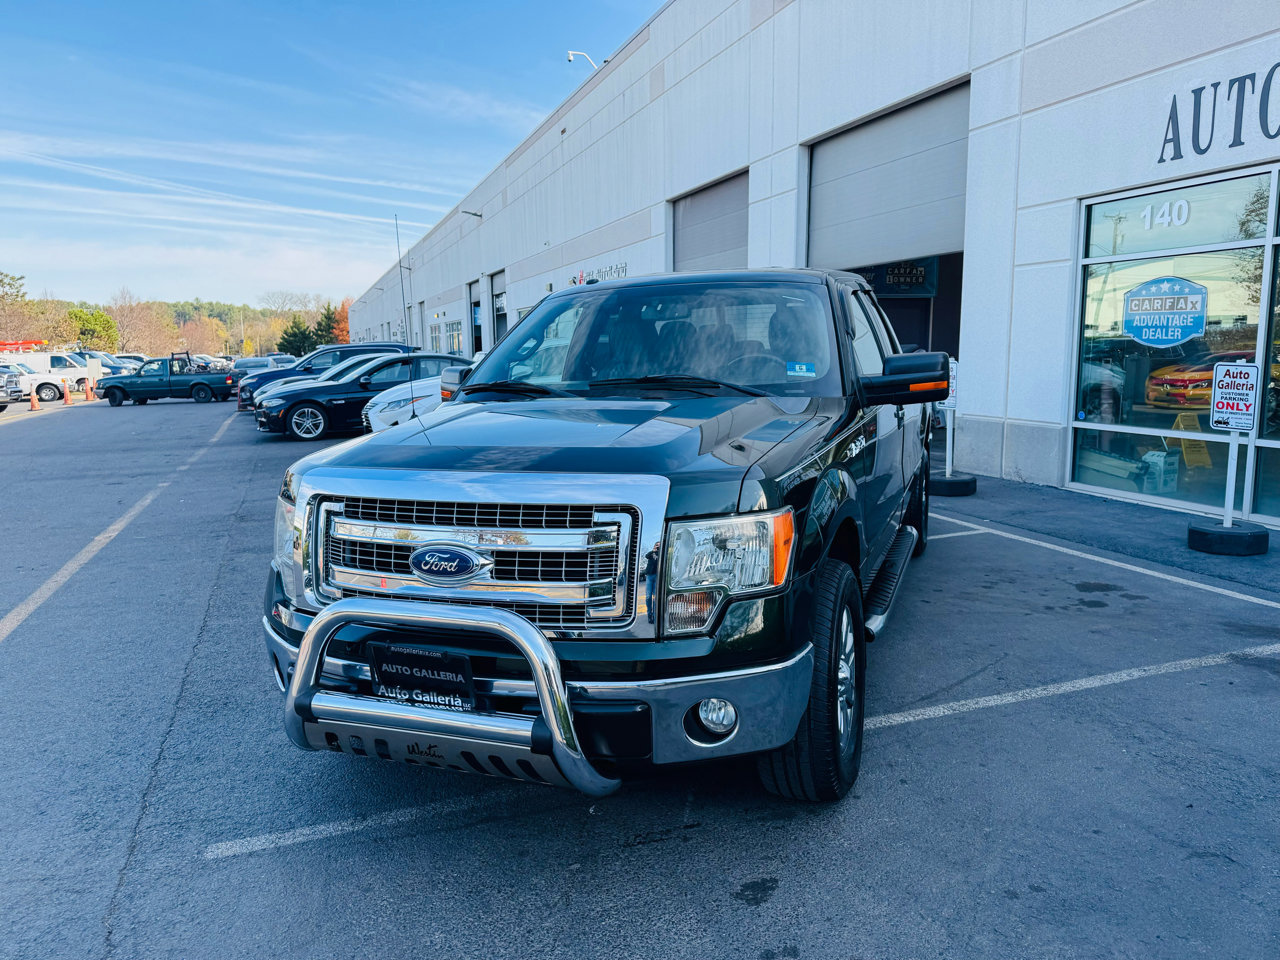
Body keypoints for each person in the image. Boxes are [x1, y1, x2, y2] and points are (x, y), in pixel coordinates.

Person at [642, 541, 660, 624]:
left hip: (657, 576)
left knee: (655, 597)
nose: (658, 547)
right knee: (648, 596)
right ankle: (649, 614)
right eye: (657, 545)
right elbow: (646, 556)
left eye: (659, 545)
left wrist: (659, 551)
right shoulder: (651, 554)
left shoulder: (661, 554)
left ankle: (655, 615)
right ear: (654, 546)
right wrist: (653, 550)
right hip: (649, 576)